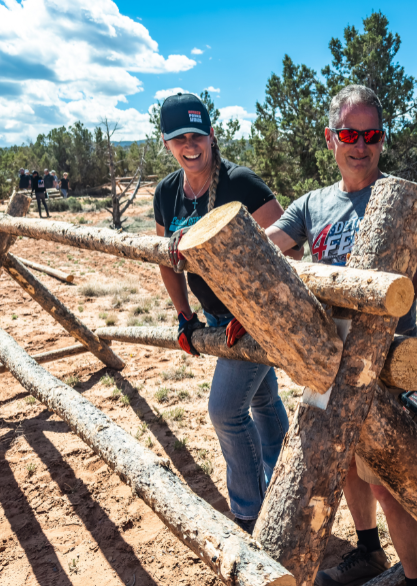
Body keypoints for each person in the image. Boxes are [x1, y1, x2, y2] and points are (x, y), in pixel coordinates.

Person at [266, 85, 417, 586]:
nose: (359, 145)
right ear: (330, 139)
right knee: (342, 461)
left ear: (382, 139)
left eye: (371, 135)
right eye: (349, 133)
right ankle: (367, 551)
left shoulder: (401, 200)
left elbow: (410, 286)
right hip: (327, 355)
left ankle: (415, 578)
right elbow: (266, 249)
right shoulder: (312, 205)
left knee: (388, 479)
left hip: (383, 364)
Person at [154, 93, 289, 534]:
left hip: (256, 319)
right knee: (265, 400)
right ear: (166, 143)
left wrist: (253, 309)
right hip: (215, 318)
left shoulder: (241, 183)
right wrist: (182, 315)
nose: (189, 145)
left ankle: (251, 515)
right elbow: (165, 258)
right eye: (179, 138)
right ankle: (289, 486)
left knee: (225, 410)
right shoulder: (167, 193)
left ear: (212, 136)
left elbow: (290, 247)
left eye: (196, 135)